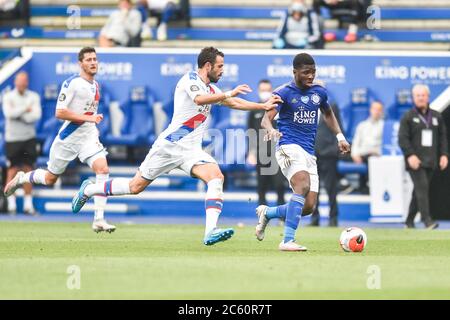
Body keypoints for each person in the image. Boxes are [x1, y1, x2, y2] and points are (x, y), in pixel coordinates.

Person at [71, 47, 282, 246]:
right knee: (135, 187)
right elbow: (200, 99)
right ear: (207, 66)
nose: (222, 70)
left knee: (216, 177)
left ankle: (210, 231)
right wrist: (228, 93)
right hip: (170, 145)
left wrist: (262, 106)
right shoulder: (189, 80)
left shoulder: (211, 88)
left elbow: (234, 103)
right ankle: (89, 189)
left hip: (191, 150)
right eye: (220, 66)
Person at [4, 47, 116, 233]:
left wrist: (90, 122)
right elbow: (60, 112)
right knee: (49, 178)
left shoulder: (96, 85)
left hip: (88, 136)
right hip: (68, 138)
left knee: (103, 169)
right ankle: (22, 178)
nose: (93, 62)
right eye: (88, 59)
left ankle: (99, 219)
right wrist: (89, 118)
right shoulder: (71, 83)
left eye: (95, 59)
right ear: (80, 63)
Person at [254, 53, 351, 251]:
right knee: (302, 184)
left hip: (308, 151)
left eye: (313, 72)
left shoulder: (319, 92)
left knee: (308, 207)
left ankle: (268, 213)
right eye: (306, 72)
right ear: (295, 72)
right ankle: (287, 240)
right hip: (287, 145)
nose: (310, 76)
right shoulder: (283, 93)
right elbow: (265, 119)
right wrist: (271, 130)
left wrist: (340, 136)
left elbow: (327, 113)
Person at [398, 84, 448, 229]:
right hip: (415, 161)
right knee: (422, 188)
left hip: (431, 160)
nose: (421, 98)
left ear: (428, 97)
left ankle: (409, 221)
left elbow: (443, 137)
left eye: (423, 95)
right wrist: (410, 155)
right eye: (418, 95)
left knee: (419, 191)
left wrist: (444, 155)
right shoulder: (408, 116)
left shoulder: (436, 116)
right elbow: (402, 138)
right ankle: (427, 221)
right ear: (413, 98)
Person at [2, 71, 41, 215]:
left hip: (29, 138)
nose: (22, 83)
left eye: (24, 80)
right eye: (20, 80)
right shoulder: (8, 96)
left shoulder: (34, 97)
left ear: (27, 82)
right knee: (12, 170)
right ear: (15, 82)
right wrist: (25, 109)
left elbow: (35, 116)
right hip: (12, 139)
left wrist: (18, 113)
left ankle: (28, 206)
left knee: (28, 170)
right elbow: (9, 114)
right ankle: (11, 205)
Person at [247, 79, 286, 207]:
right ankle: (262, 215)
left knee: (279, 185)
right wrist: (251, 153)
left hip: (278, 151)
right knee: (261, 185)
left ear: (272, 91)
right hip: (261, 151)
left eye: (267, 90)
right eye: (262, 90)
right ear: (259, 91)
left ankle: (281, 216)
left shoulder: (278, 107)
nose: (265, 93)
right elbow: (251, 132)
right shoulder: (254, 109)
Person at [310, 87, 343, 227]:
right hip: (311, 154)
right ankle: (314, 218)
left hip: (329, 154)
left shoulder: (331, 106)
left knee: (331, 188)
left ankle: (333, 218)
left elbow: (338, 127)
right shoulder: (306, 107)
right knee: (312, 188)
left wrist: (335, 148)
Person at [350, 101, 384, 194]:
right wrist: (355, 155)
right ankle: (344, 185)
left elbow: (384, 145)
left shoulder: (384, 126)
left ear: (382, 112)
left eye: (379, 110)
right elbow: (356, 142)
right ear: (370, 110)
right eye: (375, 109)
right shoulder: (362, 125)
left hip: (375, 155)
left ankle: (367, 187)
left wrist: (379, 153)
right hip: (361, 154)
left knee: (370, 158)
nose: (376, 112)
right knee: (338, 153)